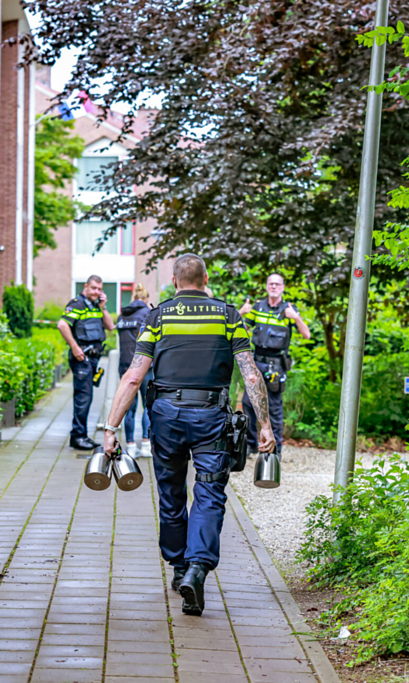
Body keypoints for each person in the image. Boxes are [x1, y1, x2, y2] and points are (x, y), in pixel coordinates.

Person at [103, 254, 275, 617]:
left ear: (174, 279)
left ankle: (180, 566)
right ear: (206, 277)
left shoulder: (158, 316)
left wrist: (111, 428)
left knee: (170, 490)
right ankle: (198, 569)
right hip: (212, 416)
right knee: (210, 492)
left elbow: (134, 376)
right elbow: (251, 373)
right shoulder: (229, 316)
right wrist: (265, 425)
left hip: (165, 417)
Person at [237, 273, 311, 457]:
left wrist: (296, 318)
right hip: (257, 363)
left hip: (276, 366)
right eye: (271, 283)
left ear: (283, 287)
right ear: (266, 286)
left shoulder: (288, 309)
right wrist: (241, 312)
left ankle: (275, 448)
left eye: (278, 284)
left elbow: (307, 335)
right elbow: (239, 329)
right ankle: (251, 445)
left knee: (274, 408)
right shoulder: (257, 307)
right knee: (248, 403)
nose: (274, 286)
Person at [57, 275, 114, 450]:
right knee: (83, 398)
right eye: (94, 288)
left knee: (87, 397)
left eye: (99, 289)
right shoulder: (77, 304)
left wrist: (103, 308)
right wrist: (74, 348)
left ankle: (81, 435)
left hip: (93, 358)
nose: (97, 292)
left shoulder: (97, 306)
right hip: (82, 357)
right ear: (86, 287)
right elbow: (62, 325)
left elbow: (110, 326)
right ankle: (78, 437)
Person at [116, 283, 154, 458]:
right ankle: (146, 444)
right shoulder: (148, 314)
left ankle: (130, 445)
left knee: (127, 407)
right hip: (145, 367)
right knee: (148, 405)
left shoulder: (122, 315)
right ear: (146, 299)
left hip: (125, 366)